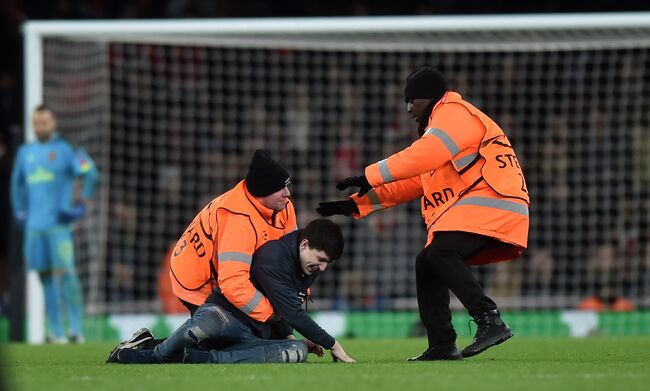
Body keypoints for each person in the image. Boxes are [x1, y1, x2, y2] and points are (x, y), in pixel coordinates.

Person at [318, 66, 529, 360]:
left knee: (439, 254)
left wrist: (371, 174)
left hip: (491, 201)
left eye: (411, 101)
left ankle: (489, 319)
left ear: (429, 99)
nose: (408, 109)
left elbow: (425, 154)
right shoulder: (446, 131)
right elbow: (415, 182)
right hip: (489, 203)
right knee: (427, 261)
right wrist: (358, 203)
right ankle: (442, 344)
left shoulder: (454, 114)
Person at [109, 219, 355, 364]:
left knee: (297, 353)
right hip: (223, 315)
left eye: (327, 264)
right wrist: (332, 344)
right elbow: (291, 311)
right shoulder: (274, 257)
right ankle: (137, 355)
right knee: (200, 330)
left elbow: (282, 308)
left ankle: (193, 357)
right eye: (321, 259)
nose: (322, 268)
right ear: (304, 244)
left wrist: (289, 338)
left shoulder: (307, 266)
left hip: (253, 334)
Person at [170, 149, 297, 324]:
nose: (287, 193)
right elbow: (233, 284)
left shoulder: (284, 207)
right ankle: (147, 348)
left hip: (224, 277)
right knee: (226, 340)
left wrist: (296, 298)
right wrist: (271, 315)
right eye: (280, 188)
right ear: (263, 191)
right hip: (198, 283)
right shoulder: (238, 220)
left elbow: (294, 257)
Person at [10, 104, 100, 343]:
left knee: (68, 274)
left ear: (54, 123)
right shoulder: (25, 153)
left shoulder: (66, 150)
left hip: (59, 225)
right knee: (45, 278)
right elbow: (17, 185)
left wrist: (83, 201)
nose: (40, 127)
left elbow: (90, 173)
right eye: (36, 122)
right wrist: (19, 211)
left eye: (44, 122)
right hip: (34, 228)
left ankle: (76, 330)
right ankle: (57, 332)